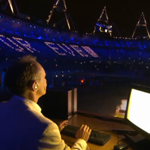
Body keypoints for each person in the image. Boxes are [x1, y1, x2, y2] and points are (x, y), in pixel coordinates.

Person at [0, 55, 92, 150]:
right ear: (35, 85)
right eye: (44, 77)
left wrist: (52, 136)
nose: (46, 81)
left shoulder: (2, 108)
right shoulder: (45, 127)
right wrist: (82, 140)